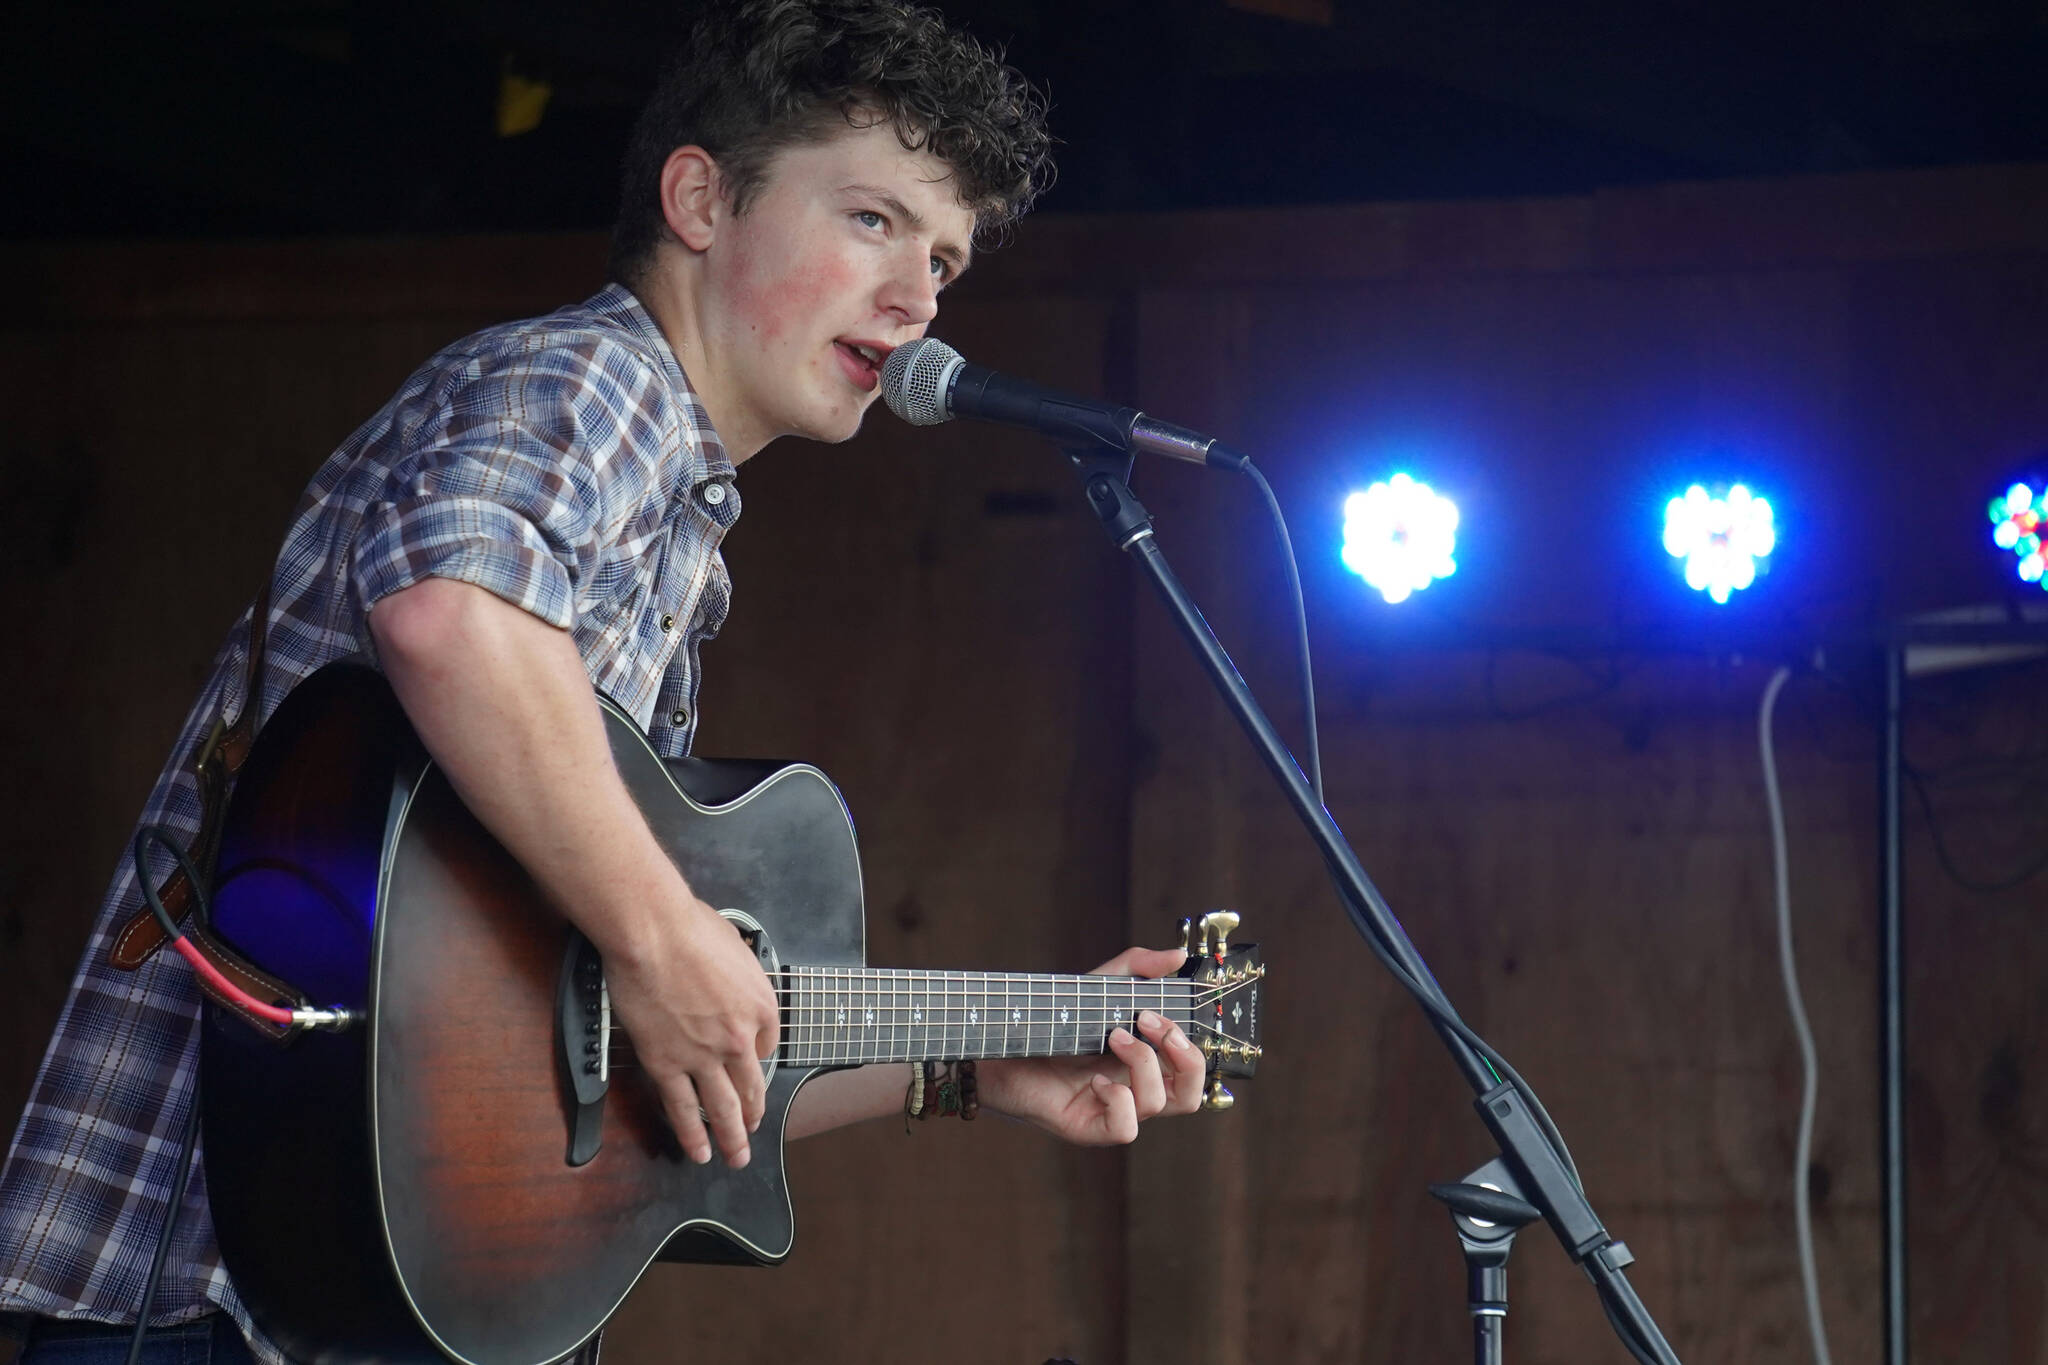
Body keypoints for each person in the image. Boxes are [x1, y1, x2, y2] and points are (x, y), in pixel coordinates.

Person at [0, 3, 1207, 1361]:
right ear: (700, 198)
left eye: (945, 258)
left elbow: (618, 1060)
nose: (921, 299)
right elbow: (447, 610)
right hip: (216, 1299)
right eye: (873, 220)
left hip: (315, 1292)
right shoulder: (599, 380)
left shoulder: (671, 520)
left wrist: (966, 1065)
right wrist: (662, 933)